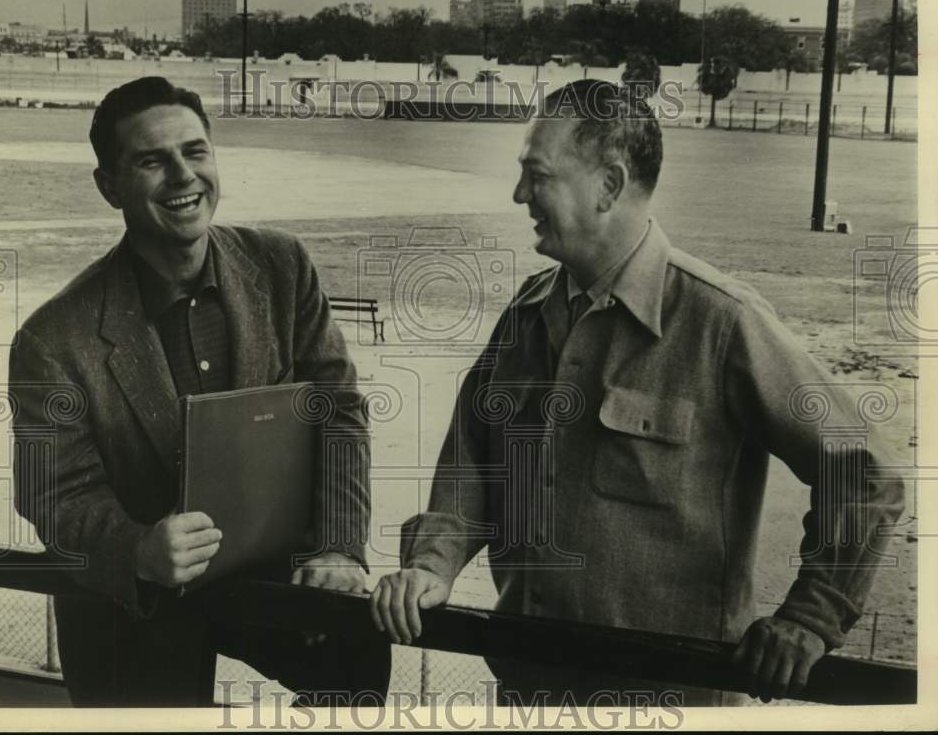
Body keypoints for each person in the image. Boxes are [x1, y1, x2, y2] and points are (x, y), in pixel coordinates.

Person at [369, 79, 904, 706]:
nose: (520, 195)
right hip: (528, 693)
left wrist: (812, 616)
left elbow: (866, 471)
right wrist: (433, 565)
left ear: (609, 185)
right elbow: (475, 461)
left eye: (536, 176)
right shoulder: (526, 313)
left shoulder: (721, 322)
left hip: (671, 705)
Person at [10, 76, 390, 706]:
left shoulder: (282, 265)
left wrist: (339, 548)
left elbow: (339, 412)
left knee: (357, 644)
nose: (183, 177)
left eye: (195, 151)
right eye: (152, 161)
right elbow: (52, 494)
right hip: (135, 599)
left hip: (266, 570)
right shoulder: (52, 339)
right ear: (110, 186)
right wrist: (136, 549)